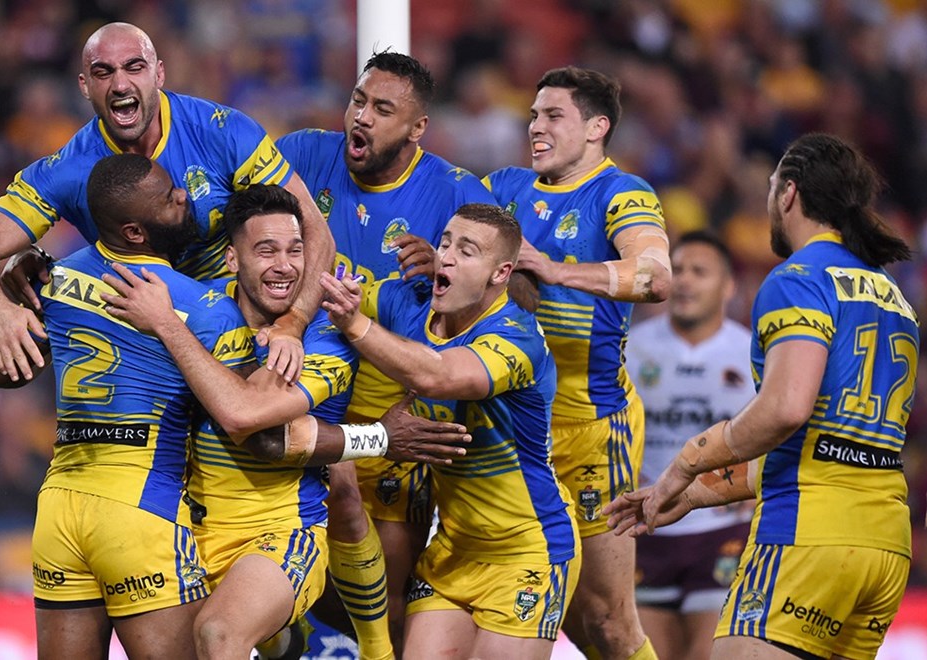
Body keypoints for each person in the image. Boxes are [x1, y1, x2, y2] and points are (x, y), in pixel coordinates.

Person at [97, 183, 471, 660]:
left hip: (281, 530)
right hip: (184, 529)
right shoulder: (198, 305)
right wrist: (25, 279)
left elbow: (260, 432)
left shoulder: (327, 334)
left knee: (221, 631)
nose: (285, 266)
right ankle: (279, 639)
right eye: (266, 250)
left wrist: (378, 437)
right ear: (232, 260)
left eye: (296, 250)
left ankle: (374, 651)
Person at [607, 133, 917, 660]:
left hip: (807, 533)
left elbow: (785, 409)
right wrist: (690, 494)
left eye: (773, 186)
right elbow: (828, 442)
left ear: (789, 193)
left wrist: (688, 459)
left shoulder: (797, 278)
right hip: (884, 541)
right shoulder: (892, 293)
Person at [0, 21, 334, 388]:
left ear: (159, 73)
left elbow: (314, 229)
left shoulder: (222, 133)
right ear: (84, 85)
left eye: (134, 67)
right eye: (103, 72)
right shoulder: (69, 169)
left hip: (243, 330)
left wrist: (294, 322)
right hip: (143, 337)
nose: (120, 84)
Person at [0, 154, 255, 659]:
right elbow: (248, 423)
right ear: (134, 232)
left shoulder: (53, 281)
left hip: (59, 510)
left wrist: (18, 301)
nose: (184, 197)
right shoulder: (209, 310)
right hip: (140, 510)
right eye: (169, 199)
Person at [275, 50, 498, 658]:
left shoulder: (455, 192)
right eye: (358, 100)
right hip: (300, 391)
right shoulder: (300, 156)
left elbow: (511, 296)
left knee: (389, 591)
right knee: (290, 567)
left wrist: (451, 270)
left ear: (417, 127)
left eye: (382, 108)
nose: (361, 117)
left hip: (395, 408)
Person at [319, 203, 579, 659]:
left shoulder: (517, 338)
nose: (447, 258)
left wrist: (355, 323)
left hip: (527, 551)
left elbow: (437, 375)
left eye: (467, 250)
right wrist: (288, 329)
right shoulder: (408, 302)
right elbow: (329, 303)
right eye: (445, 243)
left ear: (500, 273)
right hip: (452, 550)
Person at [483, 66, 671, 660]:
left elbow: (655, 275)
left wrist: (555, 271)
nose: (535, 126)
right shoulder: (503, 187)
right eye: (533, 115)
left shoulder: (621, 193)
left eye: (553, 115)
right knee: (553, 605)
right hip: (510, 428)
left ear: (597, 127)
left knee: (606, 620)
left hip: (590, 428)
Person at [624, 231, 756, 660]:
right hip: (646, 526)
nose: (684, 280)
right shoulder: (631, 350)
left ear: (728, 286)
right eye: (677, 270)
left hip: (723, 529)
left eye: (699, 271)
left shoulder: (752, 353)